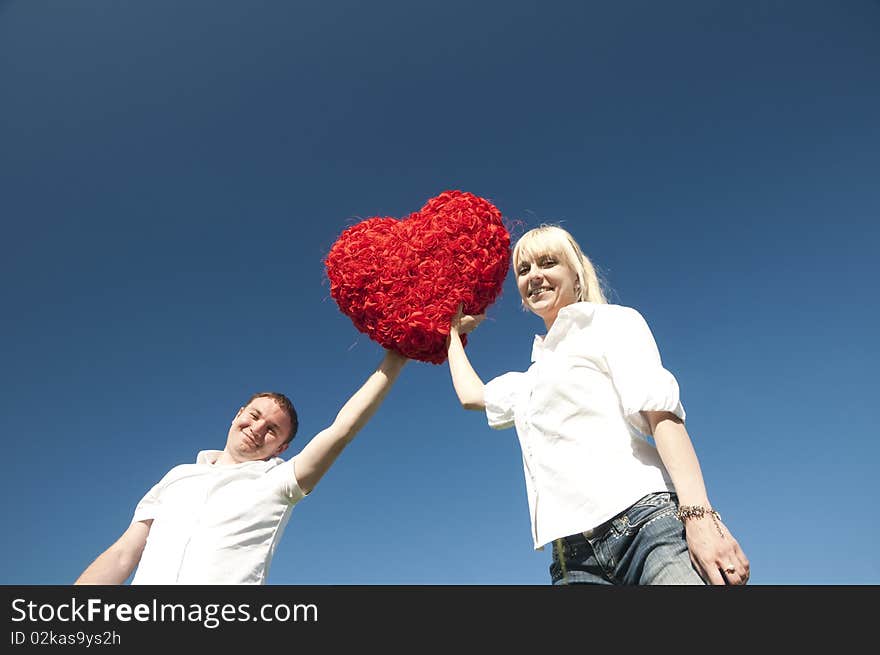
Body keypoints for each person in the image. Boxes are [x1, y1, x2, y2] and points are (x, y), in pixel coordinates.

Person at [445, 225, 750, 585]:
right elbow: (472, 396)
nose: (535, 276)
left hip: (645, 529)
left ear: (576, 274)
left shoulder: (611, 323)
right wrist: (451, 332)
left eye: (548, 262)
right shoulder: (528, 381)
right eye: (524, 270)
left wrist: (700, 517)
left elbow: (661, 413)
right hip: (572, 560)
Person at [75, 348, 408, 584]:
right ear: (238, 415)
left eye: (272, 430)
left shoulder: (278, 481)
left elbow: (342, 430)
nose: (258, 428)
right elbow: (123, 554)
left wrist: (395, 358)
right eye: (254, 416)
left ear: (282, 447)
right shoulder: (177, 477)